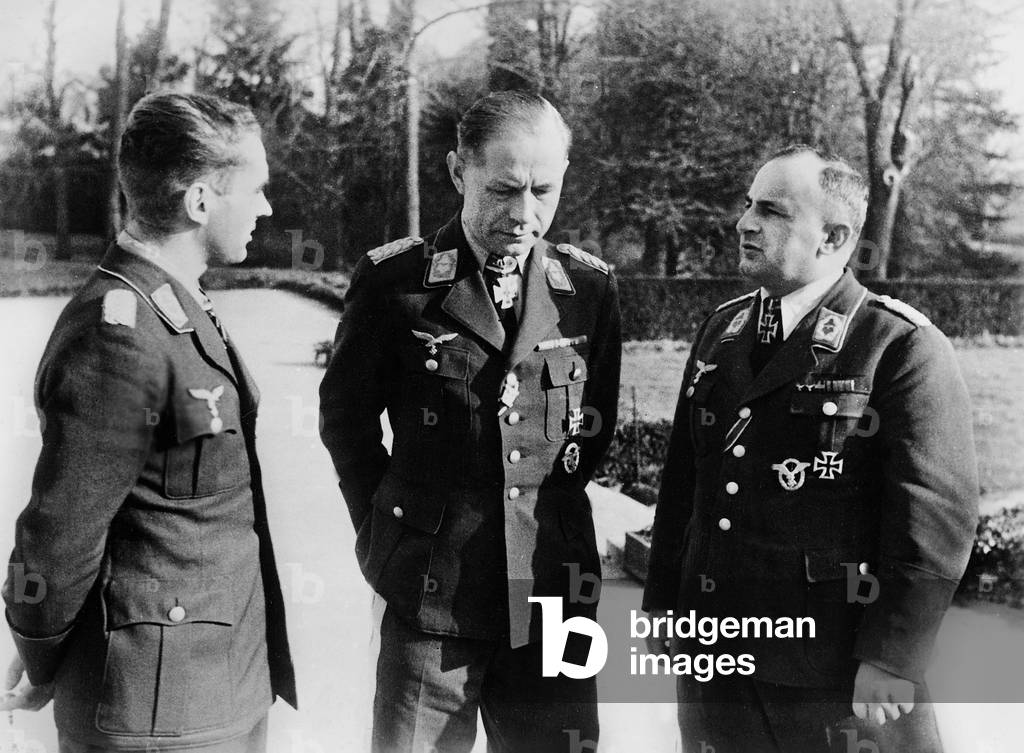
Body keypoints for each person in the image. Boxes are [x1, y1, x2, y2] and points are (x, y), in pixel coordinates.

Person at [642, 145, 978, 753]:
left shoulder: (896, 345)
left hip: (831, 670)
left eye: (770, 211)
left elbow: (933, 520)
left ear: (833, 236)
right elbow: (683, 491)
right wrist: (665, 611)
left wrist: (893, 656)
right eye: (747, 205)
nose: (744, 222)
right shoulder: (723, 329)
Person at [319, 90, 621, 753]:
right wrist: (387, 533)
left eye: (544, 190)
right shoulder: (396, 284)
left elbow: (589, 437)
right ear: (459, 172)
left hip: (552, 595)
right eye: (503, 189)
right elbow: (345, 422)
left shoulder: (589, 292)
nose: (525, 214)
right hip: (432, 595)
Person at [1, 92, 296, 752]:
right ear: (199, 200)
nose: (266, 207)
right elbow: (58, 533)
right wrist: (44, 650)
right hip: (156, 716)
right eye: (256, 189)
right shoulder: (118, 332)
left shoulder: (174, 302)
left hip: (220, 688)